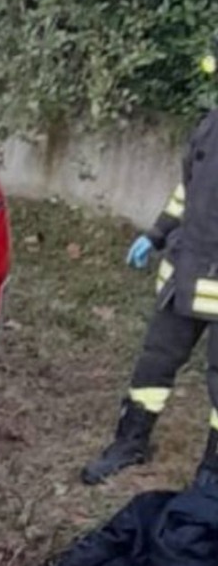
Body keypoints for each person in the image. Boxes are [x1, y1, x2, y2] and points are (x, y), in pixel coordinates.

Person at [81, 86, 218, 487]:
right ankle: (129, 443)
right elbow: (186, 191)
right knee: (155, 361)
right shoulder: (210, 123)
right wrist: (158, 233)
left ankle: (211, 475)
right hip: (184, 273)